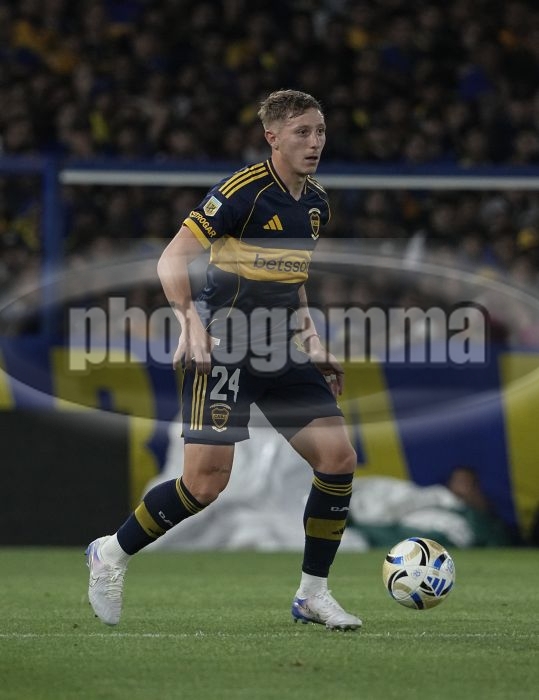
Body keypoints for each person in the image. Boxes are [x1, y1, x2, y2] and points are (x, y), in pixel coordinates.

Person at [86, 89, 362, 631]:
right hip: (225, 350)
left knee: (338, 458)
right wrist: (190, 322)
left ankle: (313, 594)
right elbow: (172, 259)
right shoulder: (241, 193)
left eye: (320, 131)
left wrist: (312, 340)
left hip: (280, 350)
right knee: (205, 485)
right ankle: (110, 553)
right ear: (273, 137)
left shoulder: (316, 203)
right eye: (302, 132)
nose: (315, 142)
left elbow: (294, 280)